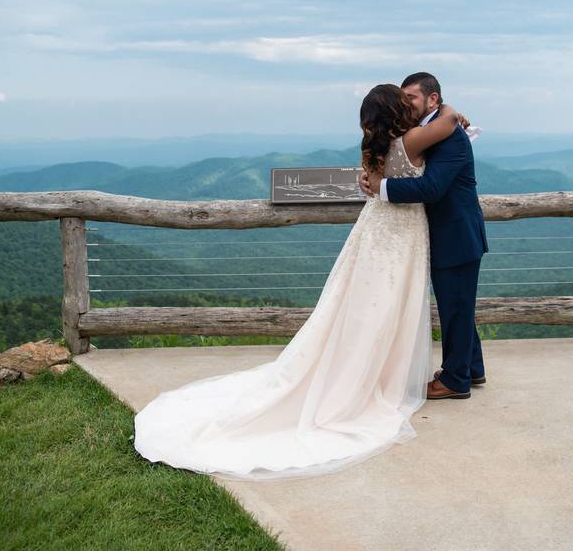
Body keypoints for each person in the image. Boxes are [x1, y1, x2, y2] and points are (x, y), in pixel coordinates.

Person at [133, 84, 464, 481]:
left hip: (377, 232)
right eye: (404, 101)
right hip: (401, 236)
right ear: (397, 111)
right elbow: (445, 121)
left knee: (365, 304)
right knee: (389, 302)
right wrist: (452, 109)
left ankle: (369, 368)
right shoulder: (412, 140)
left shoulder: (372, 149)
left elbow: (379, 183)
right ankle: (378, 377)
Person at [359, 72, 489, 400]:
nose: (406, 103)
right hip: (439, 233)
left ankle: (456, 380)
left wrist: (380, 186)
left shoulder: (451, 135)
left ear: (432, 99)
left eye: (412, 97)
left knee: (455, 307)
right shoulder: (430, 130)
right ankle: (472, 368)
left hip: (456, 234)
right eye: (402, 98)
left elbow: (431, 188)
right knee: (457, 304)